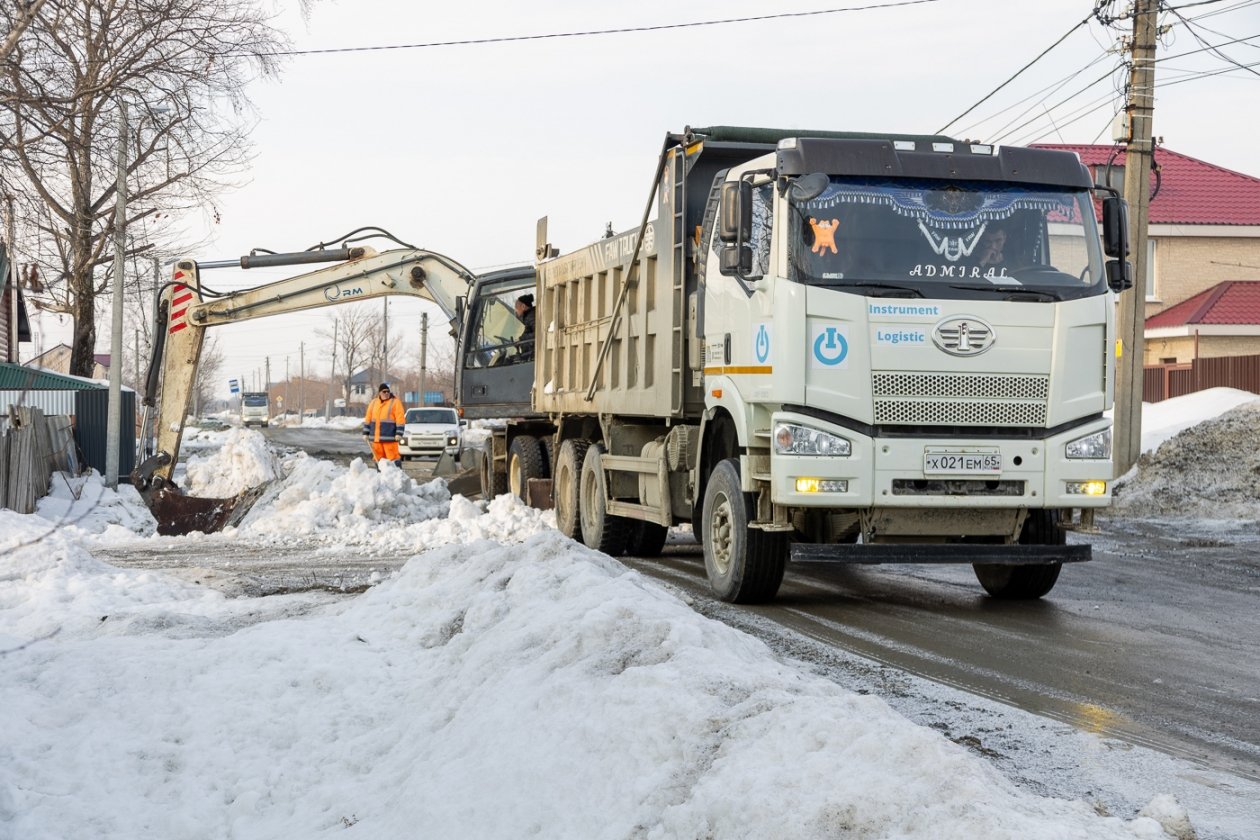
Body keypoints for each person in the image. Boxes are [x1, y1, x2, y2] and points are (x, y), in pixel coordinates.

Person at [363, 382, 405, 467]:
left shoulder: (395, 402)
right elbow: (368, 418)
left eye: (388, 391)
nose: (386, 393)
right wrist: (365, 433)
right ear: (379, 393)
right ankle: (380, 473)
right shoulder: (373, 403)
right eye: (384, 392)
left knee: (393, 458)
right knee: (378, 459)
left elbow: (400, 419)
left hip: (390, 439)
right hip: (376, 440)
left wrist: (399, 433)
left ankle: (396, 473)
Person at [515, 293, 536, 361]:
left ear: (523, 306)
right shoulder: (528, 316)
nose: (515, 311)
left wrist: (522, 339)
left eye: (516, 307)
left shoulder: (531, 316)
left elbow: (537, 333)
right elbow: (527, 332)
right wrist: (519, 340)